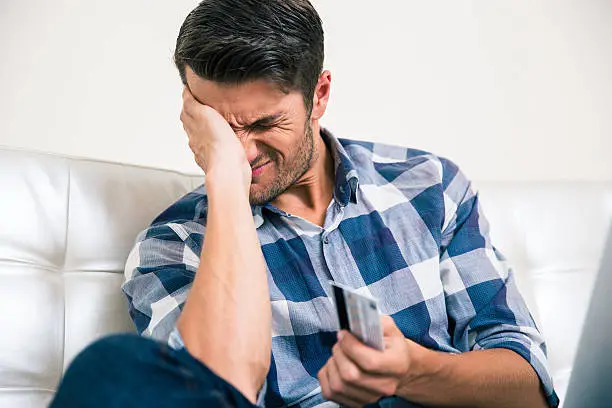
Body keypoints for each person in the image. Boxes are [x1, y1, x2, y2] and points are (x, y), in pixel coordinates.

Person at [51, 0, 559, 407]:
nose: (243, 151)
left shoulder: (428, 186)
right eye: (220, 130)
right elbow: (219, 388)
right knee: (110, 366)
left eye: (264, 124)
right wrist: (225, 180)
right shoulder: (173, 246)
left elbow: (530, 388)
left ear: (319, 95)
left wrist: (412, 370)